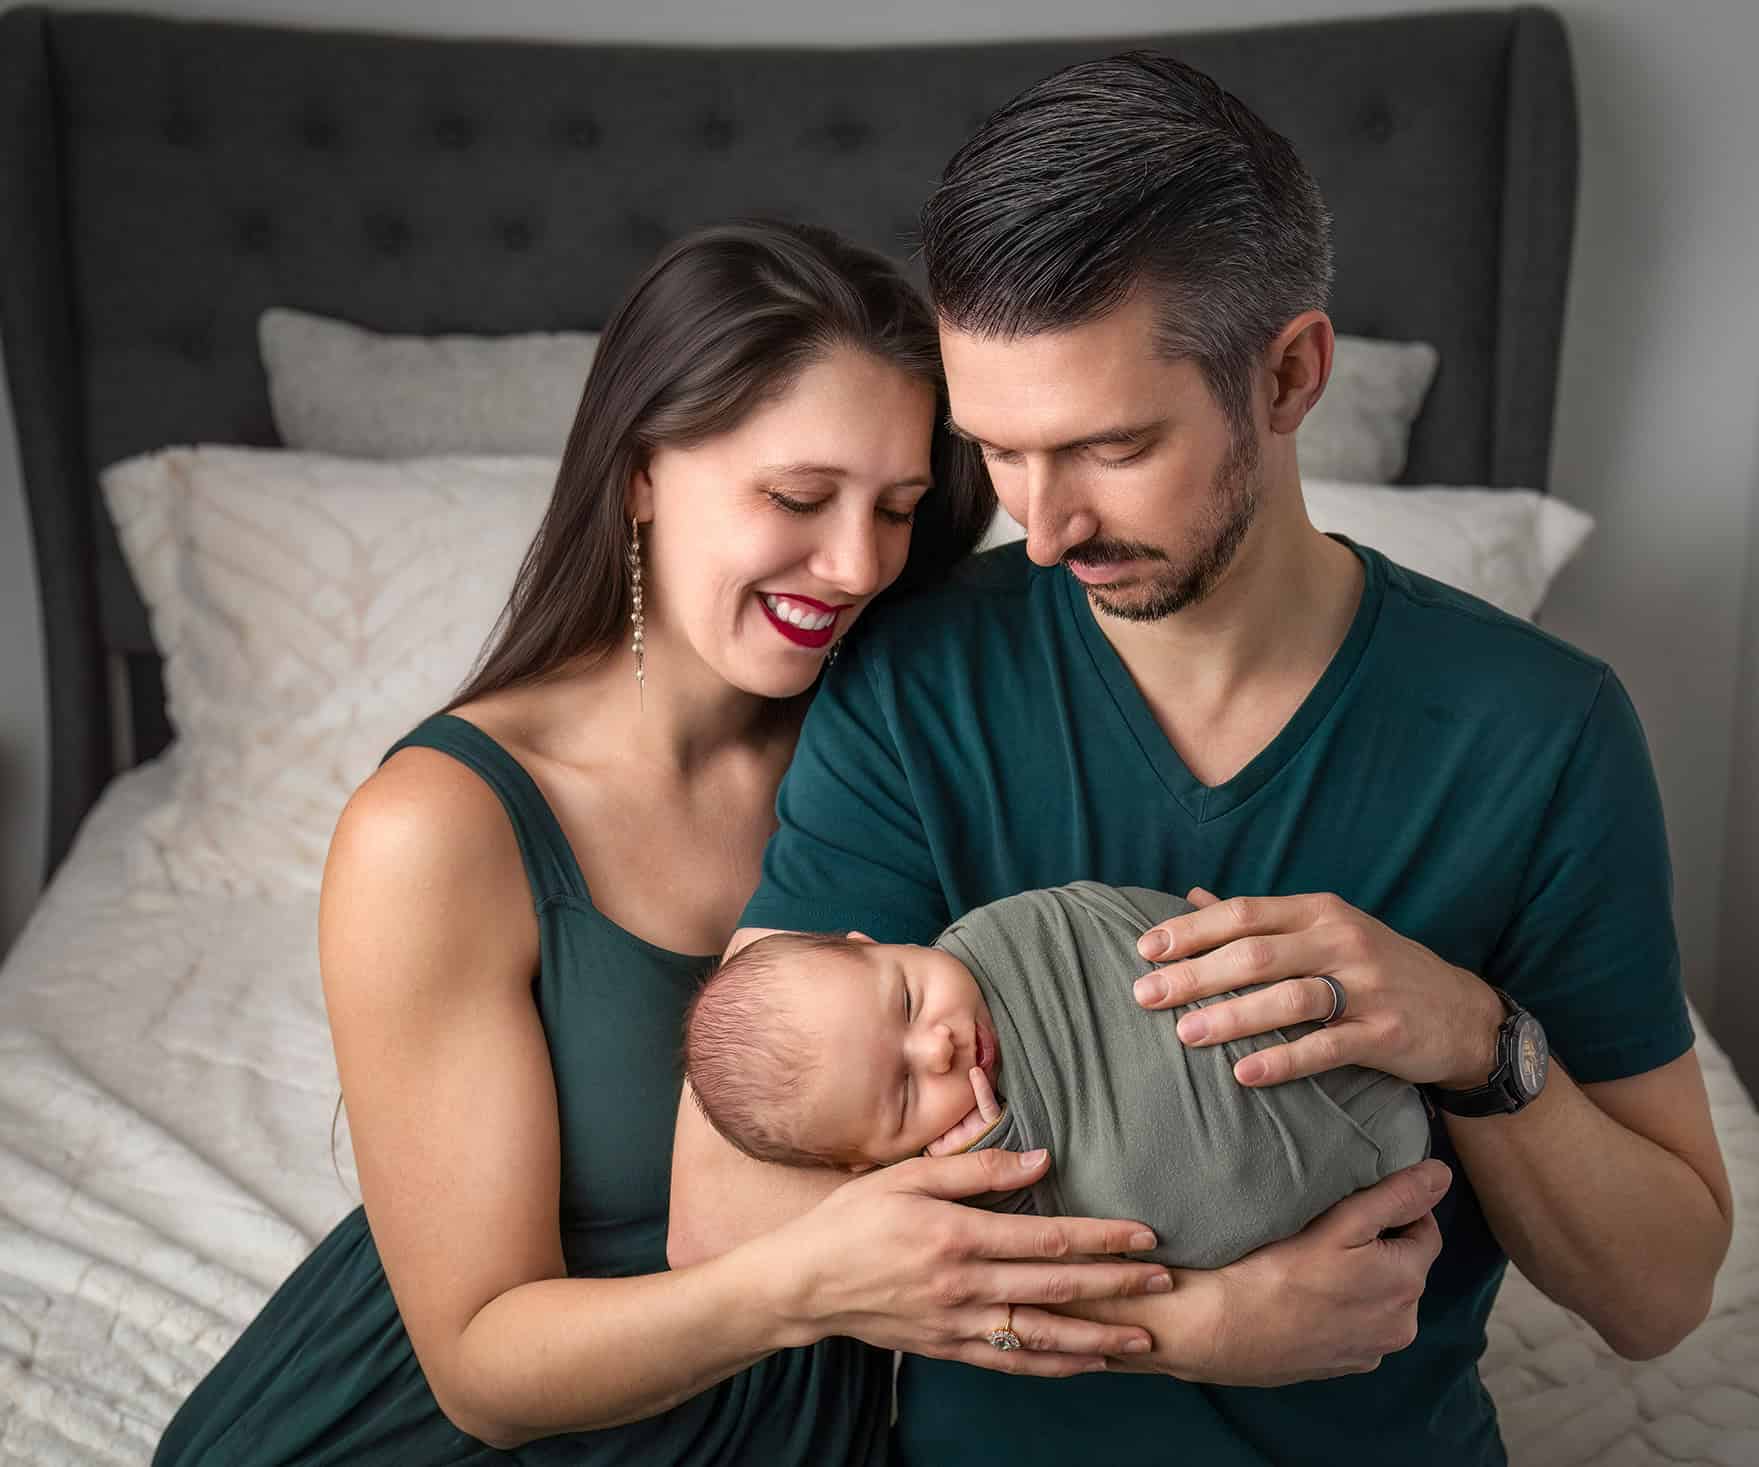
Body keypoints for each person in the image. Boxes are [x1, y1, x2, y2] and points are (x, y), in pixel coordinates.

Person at [669, 53, 1736, 1466]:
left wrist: (1476, 1037)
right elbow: (721, 1221)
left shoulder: (1537, 732)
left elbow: (1659, 1296)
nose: (1040, 529)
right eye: (998, 453)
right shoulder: (916, 681)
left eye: (1110, 447)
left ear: (1289, 374)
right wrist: (1191, 1320)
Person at [153, 220, 1178, 1467]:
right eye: (797, 498)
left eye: (899, 510)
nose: (855, 564)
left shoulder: (893, 750)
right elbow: (481, 1373)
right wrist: (812, 1281)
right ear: (640, 471)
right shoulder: (436, 831)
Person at [683, 882, 1431, 1268]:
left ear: (872, 943)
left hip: (1306, 1029)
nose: (937, 1047)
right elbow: (1059, 1246)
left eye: (907, 997)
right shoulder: (947, 1186)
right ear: (864, 1162)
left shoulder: (1007, 938)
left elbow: (1109, 928)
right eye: (905, 1092)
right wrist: (994, 1168)